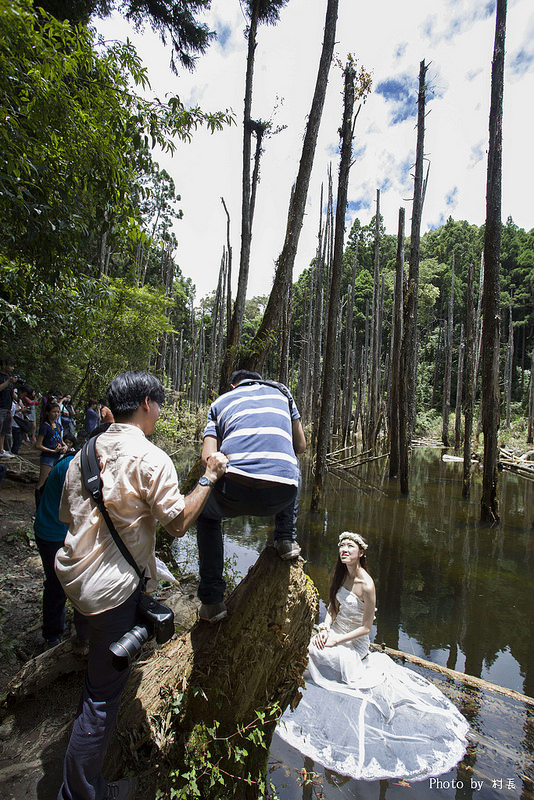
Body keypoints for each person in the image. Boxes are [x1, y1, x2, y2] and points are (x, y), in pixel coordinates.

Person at [55, 370, 228, 800]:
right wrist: (209, 477)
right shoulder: (152, 458)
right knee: (101, 699)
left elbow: (66, 517)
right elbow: (179, 523)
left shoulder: (84, 454)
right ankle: (81, 792)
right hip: (112, 592)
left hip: (75, 580)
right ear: (147, 404)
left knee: (98, 671)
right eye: (160, 405)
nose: (160, 413)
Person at [276, 532, 469, 782]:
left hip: (354, 644)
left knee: (317, 655)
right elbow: (333, 608)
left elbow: (367, 628)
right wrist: (325, 628)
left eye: (350, 546)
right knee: (309, 648)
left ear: (361, 553)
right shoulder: (339, 574)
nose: (344, 549)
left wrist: (336, 640)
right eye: (342, 546)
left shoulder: (367, 584)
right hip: (334, 634)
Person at [196, 369, 306, 623]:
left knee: (206, 514)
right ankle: (285, 539)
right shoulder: (282, 392)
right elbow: (300, 446)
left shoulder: (220, 402)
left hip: (234, 489)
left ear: (233, 386)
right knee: (290, 464)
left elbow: (207, 457)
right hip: (282, 493)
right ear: (258, 380)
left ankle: (212, 602)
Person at [34, 449, 88, 650]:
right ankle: (52, 635)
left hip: (60, 530)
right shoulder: (71, 467)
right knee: (57, 585)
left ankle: (72, 629)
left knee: (72, 582)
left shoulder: (78, 462)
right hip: (52, 533)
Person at [35, 402, 67, 506]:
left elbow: (61, 441)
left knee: (52, 482)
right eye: (54, 412)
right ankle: (38, 507)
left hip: (57, 457)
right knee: (42, 482)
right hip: (48, 458)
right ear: (48, 412)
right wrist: (52, 451)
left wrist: (65, 447)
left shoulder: (58, 426)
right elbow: (38, 445)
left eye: (58, 412)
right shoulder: (45, 426)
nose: (56, 414)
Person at [0, 356, 17, 458]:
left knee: (4, 430)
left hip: (8, 407)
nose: (12, 368)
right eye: (10, 366)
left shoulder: (9, 377)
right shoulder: (3, 378)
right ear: (3, 365)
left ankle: (1, 450)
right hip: (0, 406)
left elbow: (12, 393)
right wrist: (8, 382)